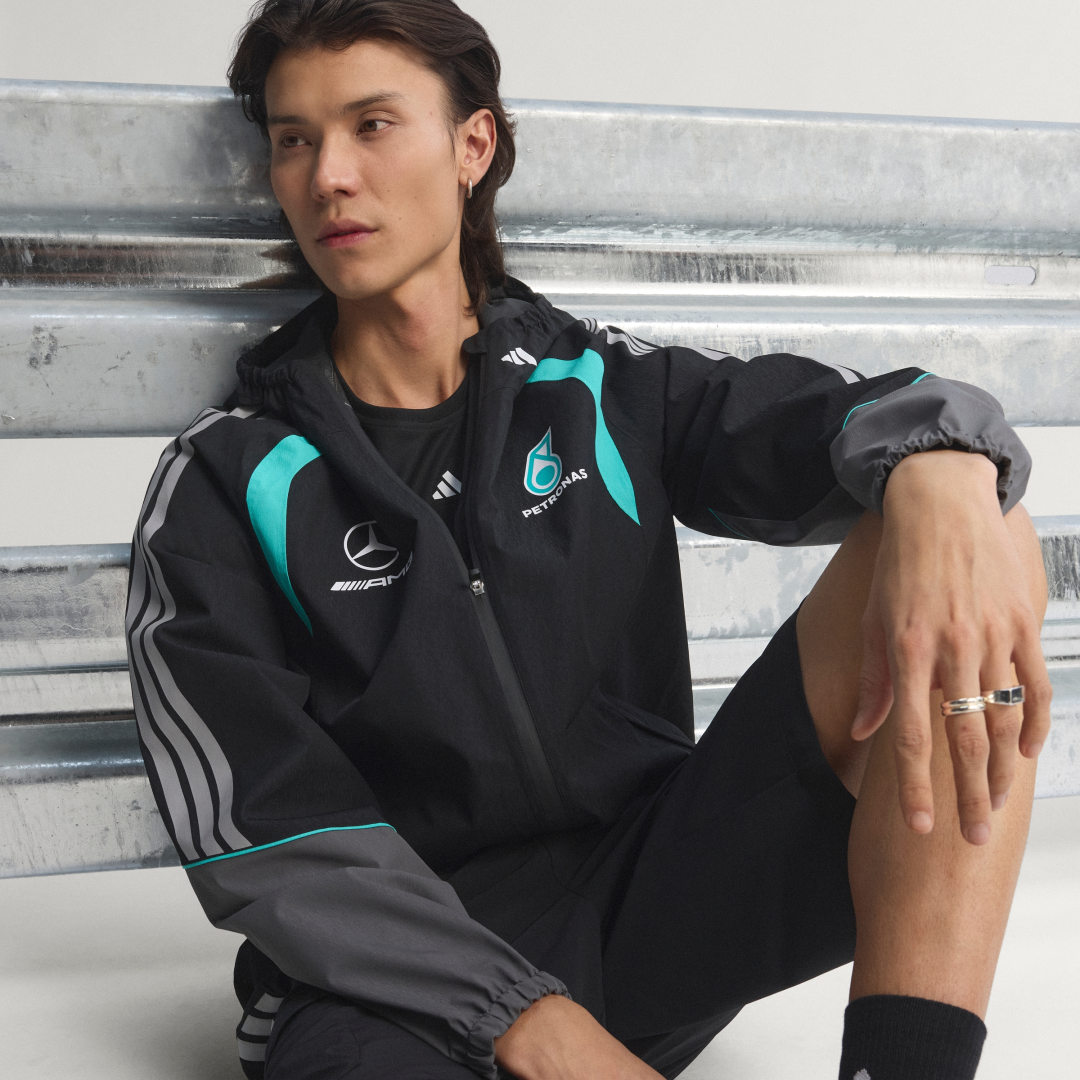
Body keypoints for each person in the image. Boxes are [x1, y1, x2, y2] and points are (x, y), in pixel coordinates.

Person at [124, 2, 1051, 1078]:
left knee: (974, 520)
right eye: (295, 140)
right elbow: (267, 833)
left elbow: (850, 420)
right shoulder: (225, 480)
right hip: (400, 979)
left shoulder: (595, 387)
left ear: (473, 145)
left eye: (372, 125)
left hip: (662, 893)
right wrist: (524, 1016)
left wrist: (942, 474)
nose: (328, 175)